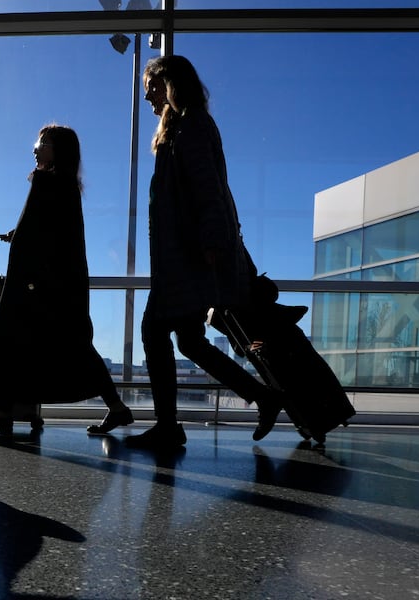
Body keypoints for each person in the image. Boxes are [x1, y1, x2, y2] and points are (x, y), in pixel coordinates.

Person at [126, 55, 284, 451]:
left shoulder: (191, 126)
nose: (146, 96)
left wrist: (211, 248)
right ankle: (263, 397)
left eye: (151, 86)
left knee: (153, 330)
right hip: (184, 259)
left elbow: (208, 191)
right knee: (190, 342)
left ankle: (168, 426)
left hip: (190, 260)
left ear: (170, 84)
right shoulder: (180, 128)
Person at [0, 125, 135, 437]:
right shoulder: (67, 185)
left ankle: (3, 413)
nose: (35, 148)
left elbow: (38, 229)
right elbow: (51, 231)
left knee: (15, 341)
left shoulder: (47, 183)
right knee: (72, 345)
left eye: (42, 143)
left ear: (57, 150)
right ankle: (117, 407)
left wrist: (23, 245)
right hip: (57, 283)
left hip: (35, 284)